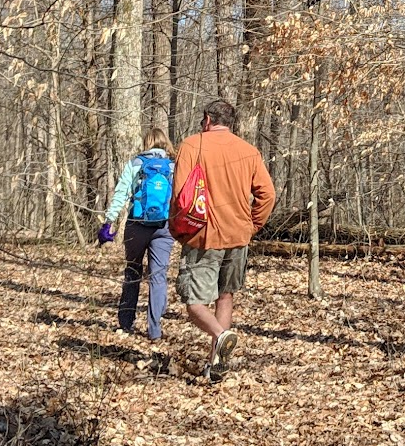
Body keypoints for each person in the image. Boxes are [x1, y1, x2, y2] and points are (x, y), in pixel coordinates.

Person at [172, 98, 275, 379]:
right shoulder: (248, 151)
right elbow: (268, 194)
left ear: (207, 119)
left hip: (203, 235)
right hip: (238, 235)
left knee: (193, 302)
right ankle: (217, 366)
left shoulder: (193, 145)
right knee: (224, 296)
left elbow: (181, 195)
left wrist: (177, 229)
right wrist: (252, 225)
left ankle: (220, 336)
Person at [98, 135, 176, 344]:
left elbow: (121, 194)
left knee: (132, 271)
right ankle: (155, 330)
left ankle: (126, 322)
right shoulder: (172, 166)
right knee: (158, 276)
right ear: (165, 143)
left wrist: (108, 222)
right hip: (164, 226)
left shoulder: (136, 164)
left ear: (146, 143)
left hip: (136, 225)